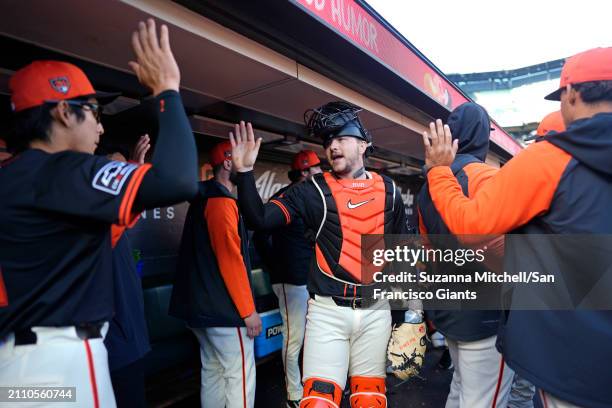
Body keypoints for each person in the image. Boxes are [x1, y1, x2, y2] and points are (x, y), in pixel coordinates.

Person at [0, 19, 198, 407]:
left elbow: (90, 238)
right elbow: (179, 181)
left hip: (17, 371)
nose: (99, 125)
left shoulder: (10, 178)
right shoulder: (64, 170)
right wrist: (167, 92)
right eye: (91, 110)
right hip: (60, 363)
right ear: (61, 111)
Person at [422, 47, 612, 408]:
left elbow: (471, 229)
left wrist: (438, 172)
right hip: (493, 318)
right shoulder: (497, 170)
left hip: (567, 355)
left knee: (466, 393)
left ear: (572, 94)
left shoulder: (552, 158)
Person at [231, 101, 408, 408]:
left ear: (363, 144)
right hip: (328, 313)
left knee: (370, 400)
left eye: (341, 138)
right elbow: (259, 219)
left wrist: (408, 314)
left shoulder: (389, 190)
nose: (332, 146)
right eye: (328, 141)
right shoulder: (311, 190)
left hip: (375, 309)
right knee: (319, 403)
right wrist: (245, 173)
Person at [417, 102, 513, 408]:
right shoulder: (485, 176)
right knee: (483, 401)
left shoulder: (427, 186)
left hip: (450, 312)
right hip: (486, 319)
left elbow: (427, 252)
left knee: (459, 391)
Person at [169, 140, 261, 408]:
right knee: (239, 375)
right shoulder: (220, 202)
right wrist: (248, 311)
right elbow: (230, 260)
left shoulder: (203, 198)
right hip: (224, 311)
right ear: (229, 163)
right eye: (241, 162)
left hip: (200, 310)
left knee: (212, 372)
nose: (245, 168)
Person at [252, 149, 322, 407]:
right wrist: (276, 266)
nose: (319, 172)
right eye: (315, 168)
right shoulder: (285, 197)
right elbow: (259, 234)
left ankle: (308, 385)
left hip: (308, 277)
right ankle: (294, 393)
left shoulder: (309, 197)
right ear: (304, 172)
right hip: (290, 280)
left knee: (310, 336)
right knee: (294, 338)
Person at [101, 135, 152, 408]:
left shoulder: (115, 219)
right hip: (112, 345)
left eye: (125, 173)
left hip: (129, 338)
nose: (122, 177)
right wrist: (133, 167)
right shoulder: (95, 212)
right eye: (116, 171)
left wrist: (134, 167)